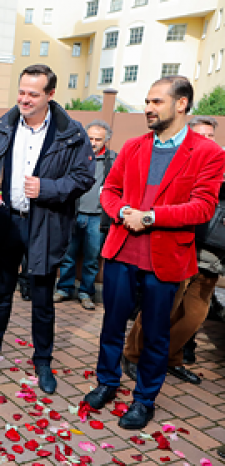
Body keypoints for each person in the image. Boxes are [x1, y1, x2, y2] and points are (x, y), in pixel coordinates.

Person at [83, 76, 225, 430]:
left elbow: (203, 208)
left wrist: (150, 217)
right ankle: (107, 383)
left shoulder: (208, 152)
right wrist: (120, 213)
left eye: (156, 102)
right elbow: (110, 190)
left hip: (167, 257)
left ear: (181, 104)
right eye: (147, 101)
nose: (148, 108)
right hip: (121, 250)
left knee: (156, 334)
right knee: (112, 325)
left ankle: (144, 400)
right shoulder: (132, 147)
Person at [0, 64, 95, 395]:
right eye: (21, 91)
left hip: (45, 225)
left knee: (42, 300)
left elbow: (83, 178)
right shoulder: (1, 127)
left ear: (50, 95)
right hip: (7, 222)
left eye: (33, 94)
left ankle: (42, 361)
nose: (24, 99)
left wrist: (48, 188)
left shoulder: (72, 133)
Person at [122, 116, 224, 385]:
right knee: (160, 310)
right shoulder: (181, 164)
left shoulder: (217, 165)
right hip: (182, 249)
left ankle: (169, 358)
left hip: (213, 258)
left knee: (193, 317)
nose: (204, 140)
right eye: (199, 135)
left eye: (209, 136)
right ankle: (133, 355)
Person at [54, 120, 117, 310]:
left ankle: (86, 293)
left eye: (98, 139)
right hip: (74, 213)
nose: (93, 142)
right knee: (68, 255)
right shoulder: (75, 156)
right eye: (90, 138)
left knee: (91, 258)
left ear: (106, 140)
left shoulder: (113, 160)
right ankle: (64, 288)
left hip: (97, 217)